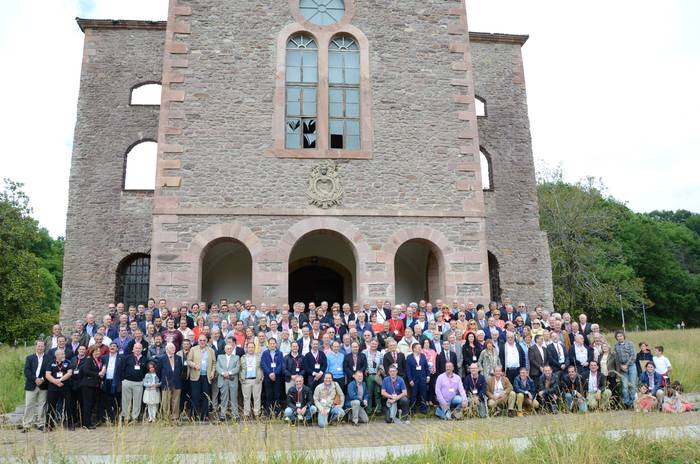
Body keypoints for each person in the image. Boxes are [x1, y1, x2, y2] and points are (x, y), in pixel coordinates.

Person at [187, 335, 216, 421]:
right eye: (201, 340)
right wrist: (194, 365)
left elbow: (214, 363)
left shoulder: (211, 350)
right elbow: (188, 361)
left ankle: (205, 415)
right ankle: (194, 415)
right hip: (196, 376)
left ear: (206, 341)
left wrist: (212, 372)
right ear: (198, 341)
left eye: (204, 340)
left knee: (206, 396)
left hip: (206, 377)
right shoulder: (193, 349)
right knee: (195, 396)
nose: (202, 342)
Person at [22, 340, 48, 432]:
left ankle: (41, 424)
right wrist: (35, 379)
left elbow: (49, 371)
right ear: (35, 347)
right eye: (39, 346)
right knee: (29, 405)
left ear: (44, 347)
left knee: (42, 405)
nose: (40, 348)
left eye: (42, 346)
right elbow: (26, 371)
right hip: (31, 384)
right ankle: (27, 425)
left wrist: (42, 379)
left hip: (43, 384)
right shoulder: (30, 358)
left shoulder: (48, 358)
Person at [45, 349, 73, 430]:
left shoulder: (67, 362)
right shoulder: (51, 363)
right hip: (53, 388)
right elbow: (47, 375)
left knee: (68, 406)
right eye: (62, 354)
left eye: (64, 353)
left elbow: (69, 373)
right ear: (57, 355)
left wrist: (60, 380)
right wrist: (56, 382)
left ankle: (70, 425)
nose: (64, 355)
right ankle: (49, 425)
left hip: (65, 387)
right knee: (51, 407)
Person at [120, 342, 147, 423]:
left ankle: (135, 418)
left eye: (139, 348)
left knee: (137, 401)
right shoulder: (127, 358)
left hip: (138, 383)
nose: (138, 349)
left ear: (142, 349)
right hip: (127, 382)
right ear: (133, 349)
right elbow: (122, 369)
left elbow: (145, 371)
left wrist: (142, 380)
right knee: (126, 401)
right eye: (136, 348)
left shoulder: (144, 359)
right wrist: (123, 380)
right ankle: (126, 417)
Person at [157, 342, 183, 421]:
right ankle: (166, 416)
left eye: (174, 347)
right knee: (165, 401)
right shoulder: (161, 358)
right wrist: (163, 379)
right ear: (167, 349)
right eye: (171, 348)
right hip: (166, 383)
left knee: (176, 401)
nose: (173, 349)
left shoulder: (178, 358)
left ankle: (175, 416)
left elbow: (180, 370)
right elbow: (158, 371)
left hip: (177, 382)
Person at [261, 337, 285, 416]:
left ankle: (277, 413)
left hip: (277, 377)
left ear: (276, 344)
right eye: (270, 343)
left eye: (273, 343)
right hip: (268, 377)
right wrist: (270, 373)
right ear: (268, 344)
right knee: (268, 395)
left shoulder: (280, 353)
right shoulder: (265, 353)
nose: (272, 345)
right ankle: (268, 413)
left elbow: (281, 364)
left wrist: (275, 373)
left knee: (277, 395)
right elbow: (263, 364)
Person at [613, 331, 637, 409]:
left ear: (624, 336)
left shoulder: (630, 344)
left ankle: (633, 402)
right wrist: (621, 366)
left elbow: (633, 355)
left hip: (631, 366)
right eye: (618, 336)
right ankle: (627, 403)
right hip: (622, 368)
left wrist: (626, 365)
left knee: (632, 385)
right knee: (625, 386)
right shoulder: (616, 346)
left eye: (621, 336)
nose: (619, 337)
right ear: (616, 338)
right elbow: (616, 359)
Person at [216, 343, 240, 421]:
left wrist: (229, 373)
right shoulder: (220, 357)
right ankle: (222, 415)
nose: (229, 350)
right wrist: (223, 373)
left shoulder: (236, 357)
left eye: (230, 348)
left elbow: (237, 368)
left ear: (232, 349)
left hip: (232, 380)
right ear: (225, 350)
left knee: (234, 398)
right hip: (223, 380)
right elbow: (217, 367)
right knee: (223, 398)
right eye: (227, 349)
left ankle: (235, 415)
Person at [81, 346, 103, 429]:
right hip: (87, 385)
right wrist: (97, 374)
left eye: (99, 351)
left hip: (94, 385)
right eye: (96, 351)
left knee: (91, 404)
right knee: (87, 404)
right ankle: (86, 424)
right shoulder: (89, 360)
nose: (98, 352)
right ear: (92, 352)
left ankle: (89, 422)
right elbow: (86, 371)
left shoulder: (98, 360)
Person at [240, 341, 263, 419]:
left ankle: (257, 414)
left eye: (252, 347)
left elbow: (261, 368)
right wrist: (241, 379)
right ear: (246, 348)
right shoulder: (242, 357)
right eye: (249, 347)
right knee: (246, 398)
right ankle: (246, 414)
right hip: (246, 380)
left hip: (256, 380)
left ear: (254, 348)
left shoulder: (258, 357)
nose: (251, 349)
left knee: (257, 397)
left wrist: (261, 378)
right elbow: (240, 369)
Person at [99, 342, 122, 423]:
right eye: (111, 346)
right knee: (107, 400)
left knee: (116, 401)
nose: (112, 347)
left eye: (114, 346)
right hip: (106, 381)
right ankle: (108, 417)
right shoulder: (104, 357)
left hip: (116, 382)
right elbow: (101, 369)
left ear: (117, 349)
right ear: (109, 348)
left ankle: (116, 418)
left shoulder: (121, 358)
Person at [406, 342, 430, 414]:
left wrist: (428, 376)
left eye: (420, 347)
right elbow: (408, 370)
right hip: (414, 379)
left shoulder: (423, 356)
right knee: (413, 394)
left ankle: (423, 409)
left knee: (423, 394)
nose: (420, 349)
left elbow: (426, 367)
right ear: (414, 349)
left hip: (422, 378)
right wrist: (410, 380)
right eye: (419, 348)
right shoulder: (409, 357)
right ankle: (412, 410)